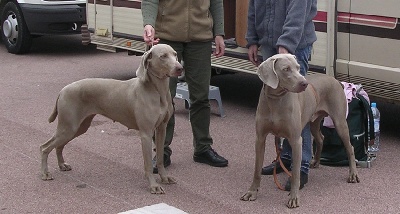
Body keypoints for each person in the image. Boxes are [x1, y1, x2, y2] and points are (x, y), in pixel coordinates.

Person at [141, 0, 228, 172]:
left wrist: (219, 32)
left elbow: (216, 2)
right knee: (164, 97)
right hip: (167, 36)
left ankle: (202, 148)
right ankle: (161, 151)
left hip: (200, 38)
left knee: (201, 96)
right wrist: (149, 23)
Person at [246, 0, 318, 191]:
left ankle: (301, 167)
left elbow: (297, 13)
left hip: (294, 45)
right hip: (269, 45)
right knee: (275, 106)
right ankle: (285, 159)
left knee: (296, 110)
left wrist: (286, 44)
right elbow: (253, 7)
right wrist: (252, 40)